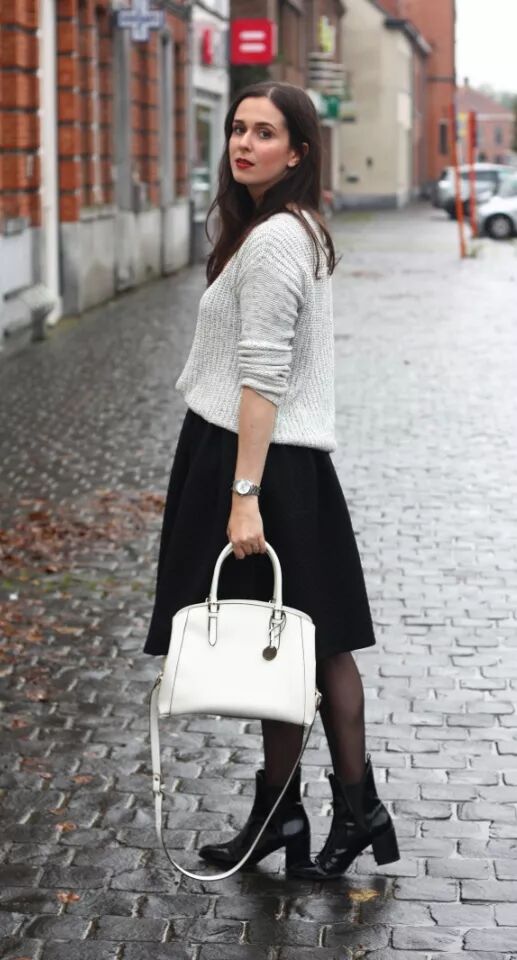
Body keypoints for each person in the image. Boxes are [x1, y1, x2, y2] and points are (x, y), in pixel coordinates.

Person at [144, 81, 400, 879]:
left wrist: (244, 497)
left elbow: (263, 376)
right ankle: (292, 814)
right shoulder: (277, 228)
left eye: (264, 132)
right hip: (272, 460)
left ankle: (347, 812)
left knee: (310, 642)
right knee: (288, 642)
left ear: (297, 152)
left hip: (262, 462)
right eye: (237, 128)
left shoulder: (277, 239)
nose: (243, 143)